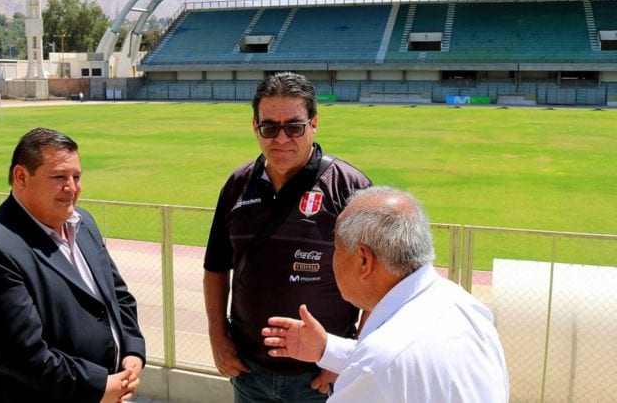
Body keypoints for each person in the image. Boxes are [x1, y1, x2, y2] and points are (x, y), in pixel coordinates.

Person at [203, 72, 373, 402]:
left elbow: (380, 284)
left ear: (314, 124)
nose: (281, 138)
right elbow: (215, 267)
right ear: (255, 127)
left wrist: (348, 354)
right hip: (248, 371)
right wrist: (217, 335)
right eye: (270, 127)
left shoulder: (349, 188)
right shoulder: (238, 184)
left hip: (319, 379)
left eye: (294, 127)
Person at [262, 186, 509, 402]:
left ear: (364, 260)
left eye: (336, 248)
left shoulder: (378, 362)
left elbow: (385, 367)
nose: (330, 259)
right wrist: (327, 348)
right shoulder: (465, 306)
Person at [0, 127, 145, 403]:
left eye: (77, 177)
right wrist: (97, 387)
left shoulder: (84, 222)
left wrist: (132, 350)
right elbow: (22, 354)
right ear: (21, 177)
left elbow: (117, 296)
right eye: (59, 177)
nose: (72, 187)